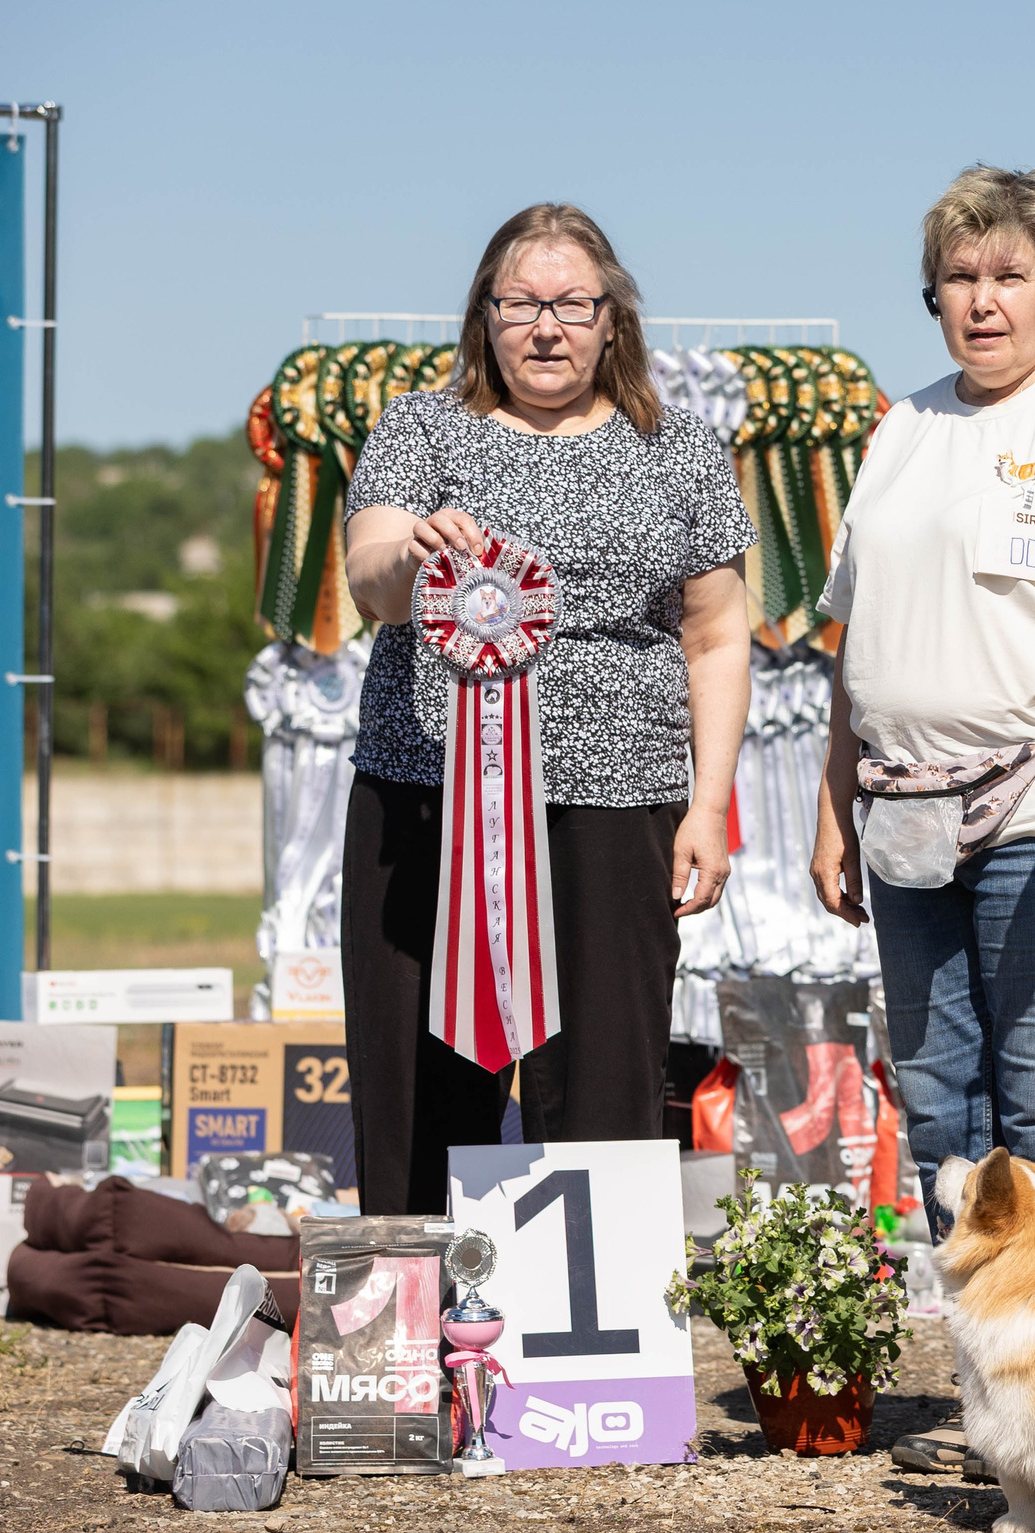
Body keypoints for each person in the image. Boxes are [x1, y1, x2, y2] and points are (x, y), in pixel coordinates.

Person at [806, 166, 1035, 1477]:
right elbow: (856, 633)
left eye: (1008, 273)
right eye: (961, 276)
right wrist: (833, 797)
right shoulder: (900, 428)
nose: (983, 298)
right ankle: (998, 1399)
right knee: (941, 1103)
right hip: (905, 805)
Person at [339, 203, 756, 1214]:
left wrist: (707, 806)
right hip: (426, 805)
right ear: (484, 315)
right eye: (520, 302)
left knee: (605, 1085)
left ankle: (586, 1351)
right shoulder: (420, 429)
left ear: (614, 318)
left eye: (572, 303)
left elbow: (716, 633)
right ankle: (421, 1331)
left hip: (617, 810)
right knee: (420, 1085)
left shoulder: (682, 449)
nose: (546, 327)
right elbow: (369, 581)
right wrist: (415, 555)